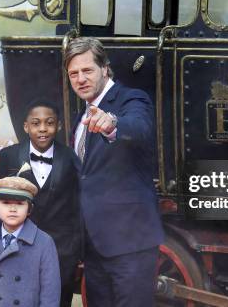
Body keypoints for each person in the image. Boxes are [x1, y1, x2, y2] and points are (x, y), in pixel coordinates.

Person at [63, 37, 165, 306]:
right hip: (95, 247)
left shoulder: (131, 99)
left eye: (87, 70)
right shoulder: (81, 116)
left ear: (105, 69)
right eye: (74, 73)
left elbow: (139, 126)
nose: (80, 79)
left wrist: (112, 125)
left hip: (130, 245)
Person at [0, 99, 81, 307]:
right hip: (19, 245)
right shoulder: (9, 156)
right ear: (26, 126)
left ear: (58, 125)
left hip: (62, 250)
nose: (43, 128)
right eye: (36, 123)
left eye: (49, 122)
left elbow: (77, 206)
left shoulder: (70, 157)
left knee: (58, 301)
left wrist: (77, 250)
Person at [0, 175, 60, 307]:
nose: (13, 209)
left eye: (20, 204)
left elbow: (50, 293)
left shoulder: (44, 242)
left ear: (29, 209)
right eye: (6, 203)